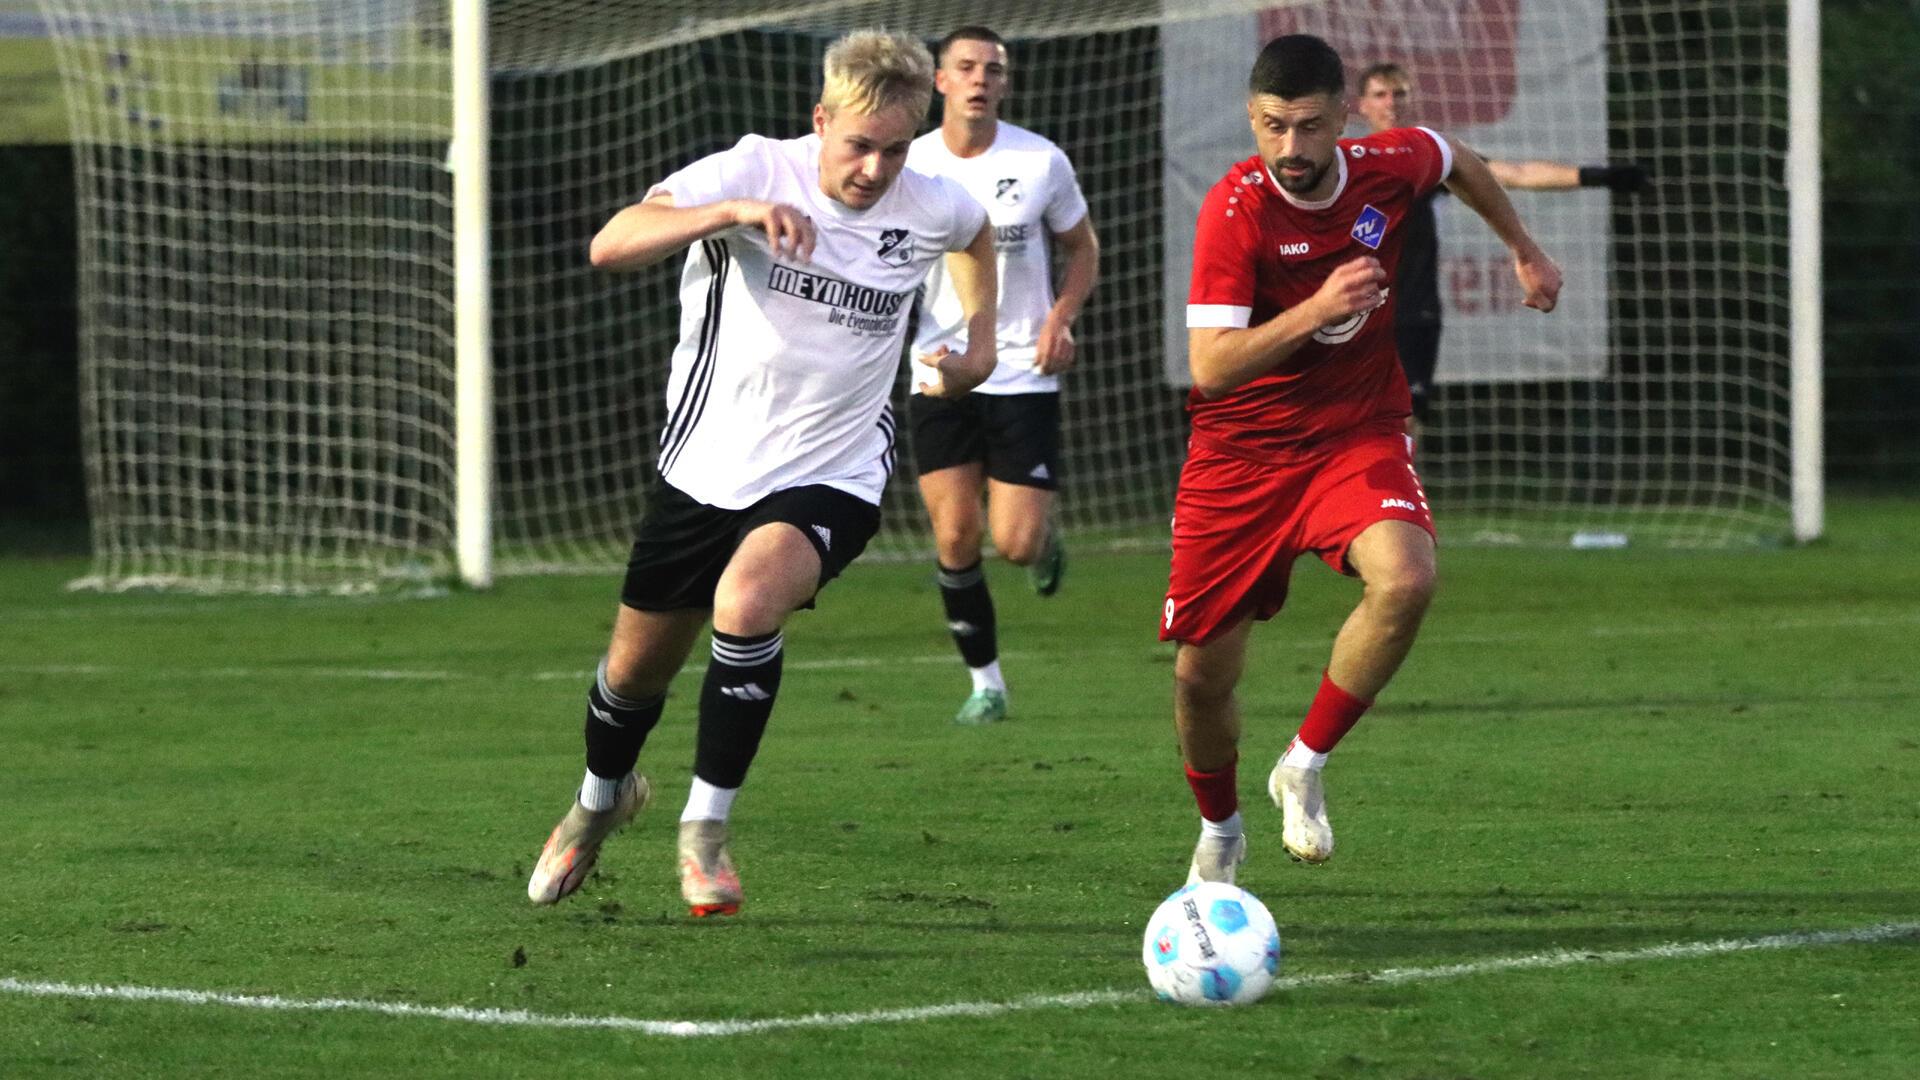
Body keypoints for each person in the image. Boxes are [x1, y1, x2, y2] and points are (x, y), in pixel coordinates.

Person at [526, 29, 998, 917]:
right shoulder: (753, 168)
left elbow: (973, 236)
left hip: (837, 469)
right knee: (632, 679)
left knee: (746, 605)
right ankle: (600, 802)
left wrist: (977, 342)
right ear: (821, 121)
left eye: (896, 149)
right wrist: (732, 214)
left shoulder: (929, 201)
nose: (873, 169)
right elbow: (613, 243)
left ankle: (704, 832)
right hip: (704, 469)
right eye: (859, 145)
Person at [1169, 34, 1562, 883]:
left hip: (1354, 432)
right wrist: (1315, 309)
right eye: (1272, 127)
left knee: (1409, 577)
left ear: (1342, 118)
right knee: (1203, 677)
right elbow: (1211, 364)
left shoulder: (1389, 161)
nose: (1290, 149)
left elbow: (1457, 159)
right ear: (1252, 118)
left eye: (1309, 127)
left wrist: (1521, 246)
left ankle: (1303, 764)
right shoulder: (1233, 211)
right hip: (1238, 458)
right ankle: (1222, 828)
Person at [906, 26, 1101, 725]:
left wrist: (1061, 317)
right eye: (966, 67)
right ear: (940, 81)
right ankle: (986, 683)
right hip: (940, 368)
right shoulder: (910, 164)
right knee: (956, 536)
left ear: (1005, 84)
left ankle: (1045, 544)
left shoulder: (1040, 160)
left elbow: (1082, 249)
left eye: (993, 69)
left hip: (1023, 368)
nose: (981, 79)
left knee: (1014, 543)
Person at [1352, 62, 1647, 441]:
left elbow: (1515, 174)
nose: (1391, 103)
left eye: (1399, 93)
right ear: (1361, 105)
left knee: (1406, 423)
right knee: (1354, 423)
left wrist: (1597, 176)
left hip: (1414, 314)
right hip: (1357, 312)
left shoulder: (1429, 157)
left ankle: (1406, 500)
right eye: (1380, 94)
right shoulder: (1351, 164)